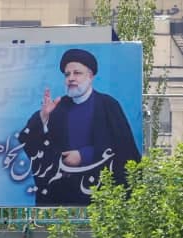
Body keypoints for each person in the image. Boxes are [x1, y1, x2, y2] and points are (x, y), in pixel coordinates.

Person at [17, 48, 140, 205]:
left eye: (77, 73)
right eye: (67, 74)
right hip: (63, 196)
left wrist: (84, 155)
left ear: (90, 76)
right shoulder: (57, 108)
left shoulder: (107, 105)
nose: (71, 78)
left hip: (99, 194)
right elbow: (28, 140)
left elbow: (124, 149)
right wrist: (43, 117)